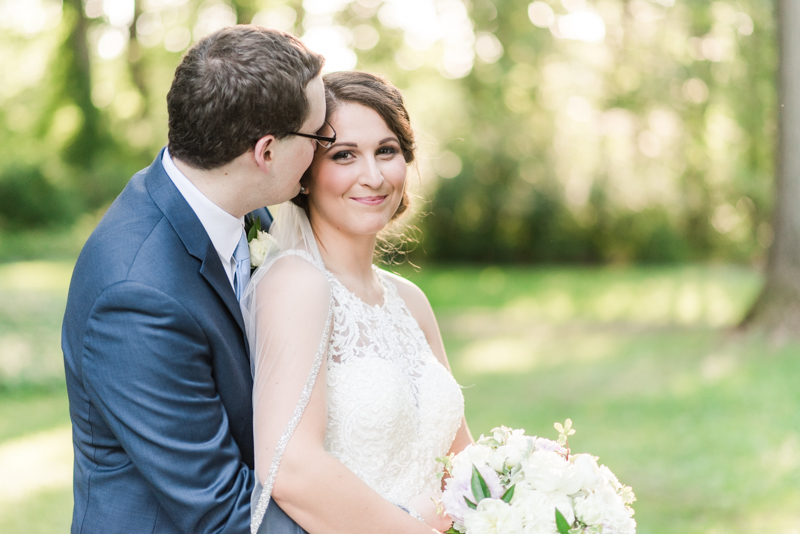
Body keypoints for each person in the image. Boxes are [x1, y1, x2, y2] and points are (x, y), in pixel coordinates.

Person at [61, 26, 326, 534]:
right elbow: (220, 513)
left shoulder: (241, 210)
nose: (323, 149)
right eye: (319, 136)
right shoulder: (136, 296)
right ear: (266, 152)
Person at [242, 71, 474, 534]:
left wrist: (527, 481)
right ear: (303, 174)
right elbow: (292, 470)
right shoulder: (294, 283)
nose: (373, 176)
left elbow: (461, 460)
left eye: (386, 151)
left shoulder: (410, 299)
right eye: (344, 155)